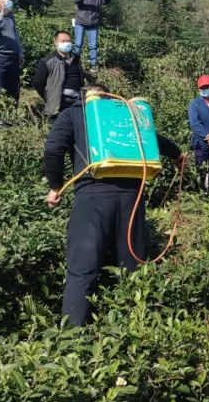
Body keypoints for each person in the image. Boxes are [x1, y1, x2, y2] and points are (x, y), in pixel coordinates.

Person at [44, 84, 182, 325]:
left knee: (82, 266)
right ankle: (136, 328)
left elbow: (53, 149)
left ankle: (71, 339)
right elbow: (152, 138)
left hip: (92, 197)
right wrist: (178, 155)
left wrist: (56, 186)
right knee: (132, 265)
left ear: (84, 97)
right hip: (132, 195)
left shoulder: (75, 113)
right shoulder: (124, 115)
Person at [32, 30, 84, 118]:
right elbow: (37, 83)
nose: (66, 43)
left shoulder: (77, 60)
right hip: (60, 102)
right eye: (63, 41)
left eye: (68, 41)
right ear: (55, 43)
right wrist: (49, 97)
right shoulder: (47, 61)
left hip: (77, 100)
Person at [73, 0, 108, 73]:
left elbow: (107, 1)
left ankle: (93, 66)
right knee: (78, 44)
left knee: (93, 46)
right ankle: (74, 63)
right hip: (80, 23)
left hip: (93, 24)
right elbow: (76, 0)